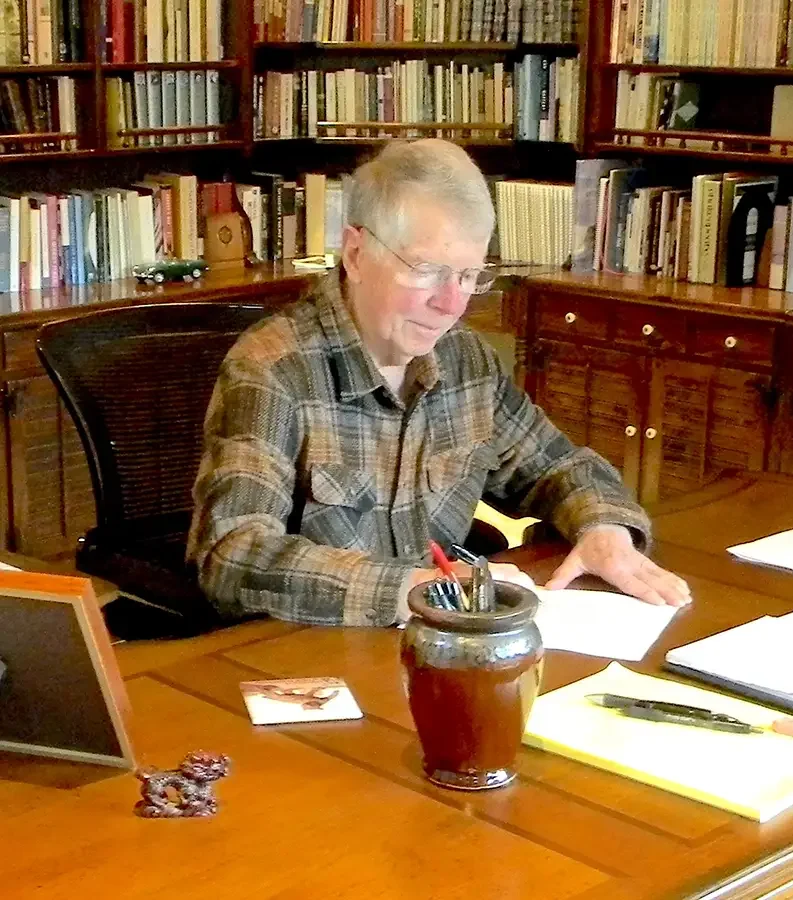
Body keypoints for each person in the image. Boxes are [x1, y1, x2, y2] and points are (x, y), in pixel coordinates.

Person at [187, 139, 691, 626]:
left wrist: (604, 528)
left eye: (469, 275)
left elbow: (558, 466)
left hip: (444, 647)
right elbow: (234, 554)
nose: (451, 305)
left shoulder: (464, 360)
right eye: (427, 271)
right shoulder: (273, 369)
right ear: (357, 254)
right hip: (310, 658)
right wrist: (416, 588)